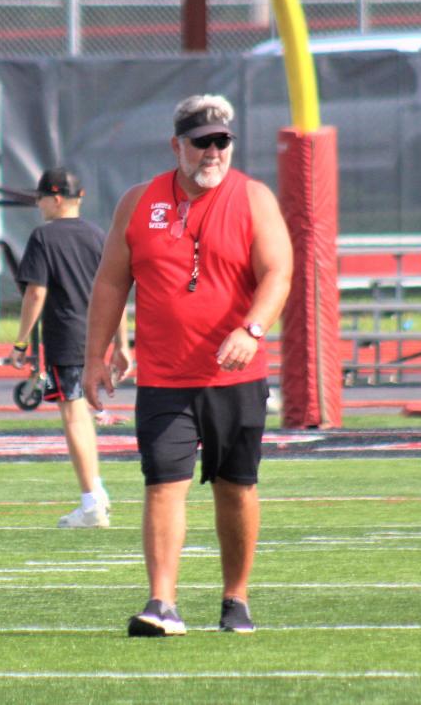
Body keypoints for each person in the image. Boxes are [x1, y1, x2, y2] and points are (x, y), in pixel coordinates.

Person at [83, 94, 292, 635]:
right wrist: (94, 356)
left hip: (234, 376)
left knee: (235, 486)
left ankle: (236, 598)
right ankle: (162, 603)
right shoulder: (139, 201)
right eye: (203, 142)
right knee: (163, 483)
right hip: (164, 377)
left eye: (223, 141)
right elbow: (111, 281)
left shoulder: (253, 198)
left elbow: (278, 274)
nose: (214, 152)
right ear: (177, 145)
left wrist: (251, 329)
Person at [10, 166, 131, 529]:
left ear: (57, 198)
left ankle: (91, 502)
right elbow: (117, 291)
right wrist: (122, 345)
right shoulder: (99, 236)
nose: (39, 205)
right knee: (82, 416)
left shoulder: (43, 238)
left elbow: (36, 292)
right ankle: (96, 492)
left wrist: (20, 342)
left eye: (41, 198)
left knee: (73, 416)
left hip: (64, 339)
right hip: (95, 339)